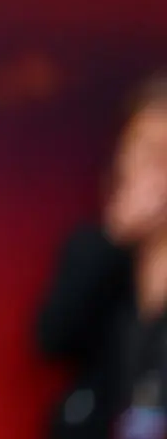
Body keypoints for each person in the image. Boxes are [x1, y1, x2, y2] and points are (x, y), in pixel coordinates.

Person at [37, 72, 167, 439]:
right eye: (144, 150)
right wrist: (115, 237)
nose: (155, 173)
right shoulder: (94, 250)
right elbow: (52, 339)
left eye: (164, 155)